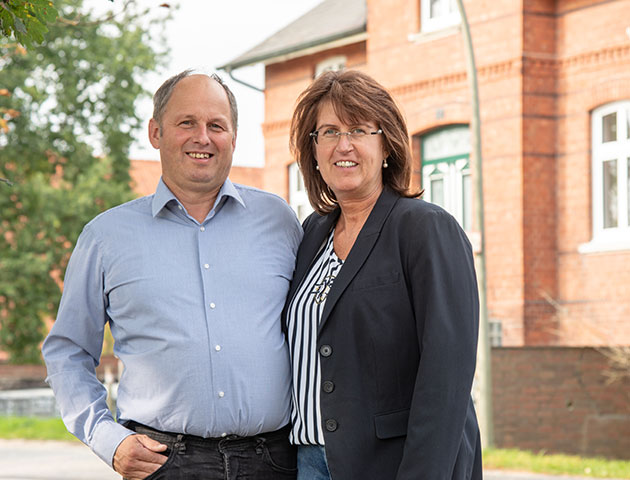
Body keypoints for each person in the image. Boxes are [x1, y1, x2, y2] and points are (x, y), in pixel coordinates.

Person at [42, 70, 302, 480]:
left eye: (217, 125)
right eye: (187, 123)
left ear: (233, 138)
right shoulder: (106, 237)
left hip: (275, 461)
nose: (203, 137)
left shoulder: (280, 221)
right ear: (156, 132)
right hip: (163, 464)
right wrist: (107, 438)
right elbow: (67, 352)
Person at [285, 70, 483, 480]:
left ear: (387, 144)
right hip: (309, 464)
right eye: (329, 131)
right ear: (315, 151)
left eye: (359, 129)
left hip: (391, 467)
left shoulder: (425, 229)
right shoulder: (311, 234)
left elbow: (446, 380)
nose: (344, 145)